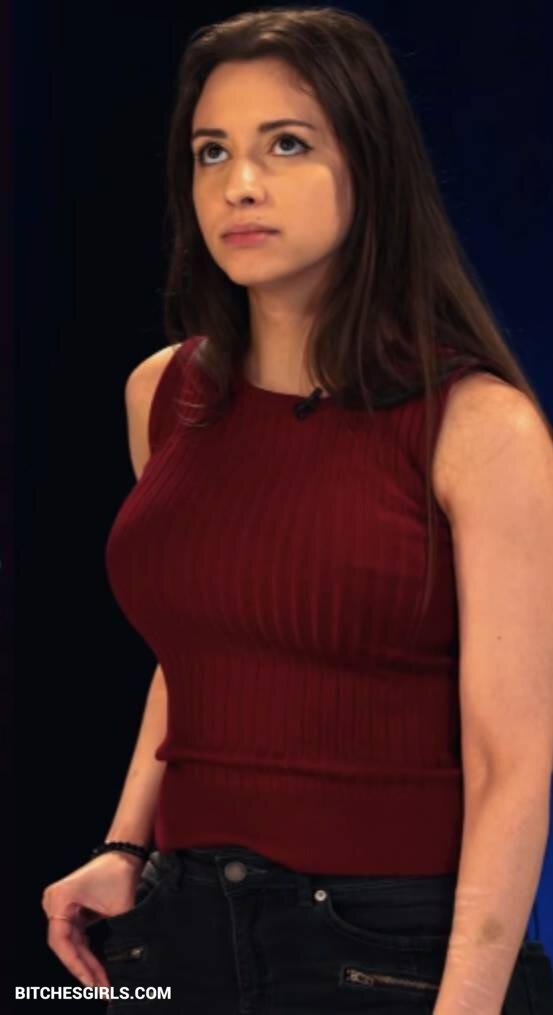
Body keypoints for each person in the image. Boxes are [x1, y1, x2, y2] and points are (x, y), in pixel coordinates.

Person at [41, 7, 553, 1013]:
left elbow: (512, 760)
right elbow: (198, 651)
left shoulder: (478, 427)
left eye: (285, 144)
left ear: (369, 166)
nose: (238, 183)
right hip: (177, 928)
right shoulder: (163, 394)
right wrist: (124, 844)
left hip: (387, 946)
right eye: (211, 151)